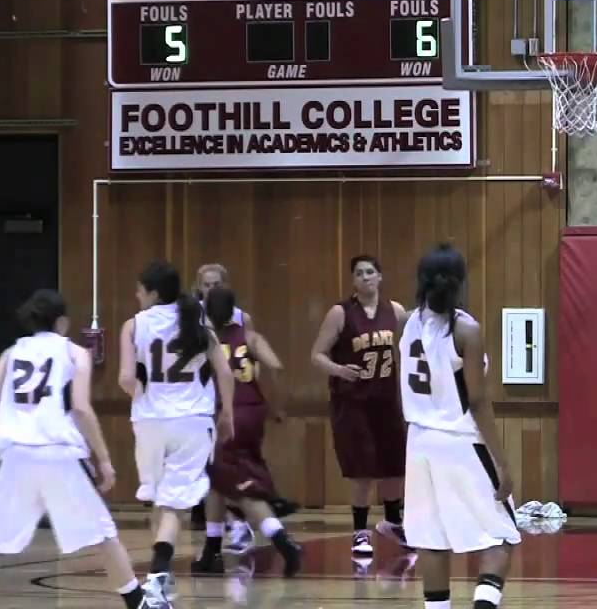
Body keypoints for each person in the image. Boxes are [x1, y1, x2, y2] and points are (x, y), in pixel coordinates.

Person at [0, 289, 146, 609]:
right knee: (103, 535)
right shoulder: (74, 353)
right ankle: (139, 604)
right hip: (58, 454)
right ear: (62, 322)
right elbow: (82, 409)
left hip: (16, 454)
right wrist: (103, 459)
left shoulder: (9, 355)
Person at [398, 244, 521, 609]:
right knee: (501, 536)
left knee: (432, 540)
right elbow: (479, 402)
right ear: (460, 282)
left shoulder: (404, 322)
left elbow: (401, 386)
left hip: (419, 441)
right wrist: (502, 462)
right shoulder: (466, 329)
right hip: (461, 440)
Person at [120, 261, 236, 609]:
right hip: (192, 420)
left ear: (153, 293)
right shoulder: (198, 319)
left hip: (149, 420)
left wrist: (146, 395)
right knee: (173, 505)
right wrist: (228, 412)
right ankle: (157, 576)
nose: (137, 295)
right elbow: (224, 372)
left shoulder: (133, 325)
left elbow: (126, 380)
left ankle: (160, 577)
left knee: (161, 499)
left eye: (140, 289)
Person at [196, 286, 302, 577]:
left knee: (241, 489)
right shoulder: (251, 337)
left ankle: (283, 542)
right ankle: (211, 550)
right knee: (217, 480)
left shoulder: (204, 340)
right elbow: (276, 367)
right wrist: (276, 405)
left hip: (224, 414)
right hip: (253, 411)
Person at [310, 254, 410, 556]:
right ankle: (360, 532)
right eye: (359, 273)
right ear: (353, 281)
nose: (365, 277)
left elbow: (408, 348)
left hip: (387, 400)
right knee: (362, 471)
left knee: (395, 466)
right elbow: (317, 355)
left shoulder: (395, 311)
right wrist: (339, 370)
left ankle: (394, 523)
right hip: (353, 403)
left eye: (370, 272)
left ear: (380, 277)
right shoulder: (341, 313)